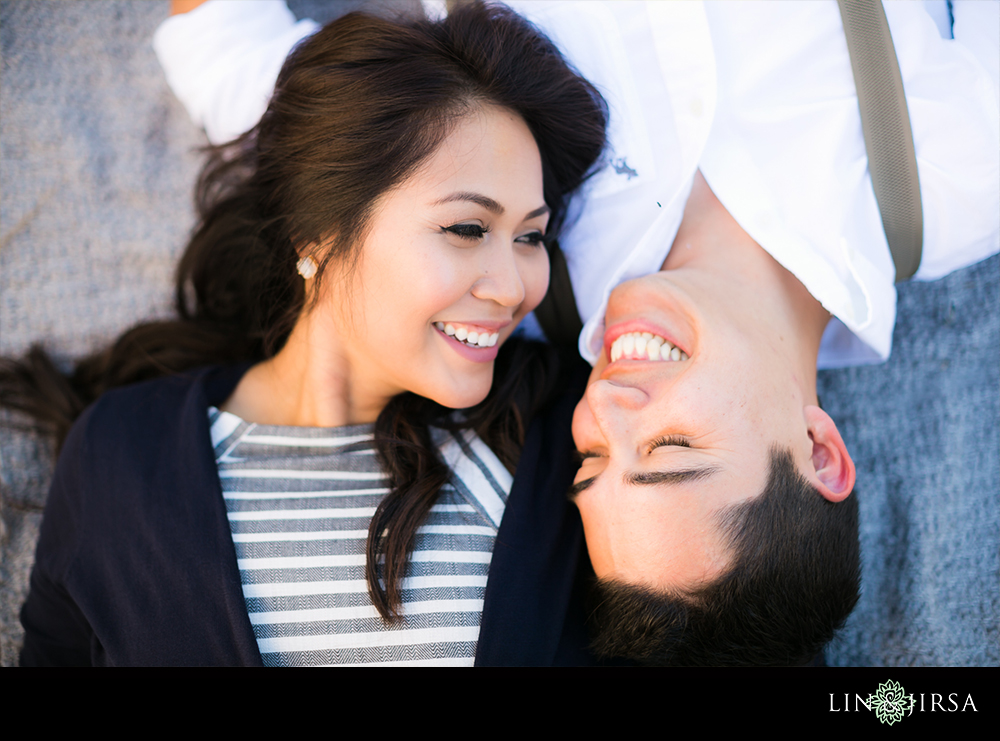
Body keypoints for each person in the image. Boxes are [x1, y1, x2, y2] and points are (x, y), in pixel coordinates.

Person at [168, 0, 1000, 665]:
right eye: (671, 451)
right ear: (820, 450)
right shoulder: (965, 172)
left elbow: (239, 68)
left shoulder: (488, 272)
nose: (608, 407)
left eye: (593, 461)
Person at [7, 1, 607, 666]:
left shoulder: (582, 436)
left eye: (531, 235)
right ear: (317, 234)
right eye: (467, 228)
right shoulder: (120, 453)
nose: (513, 285)